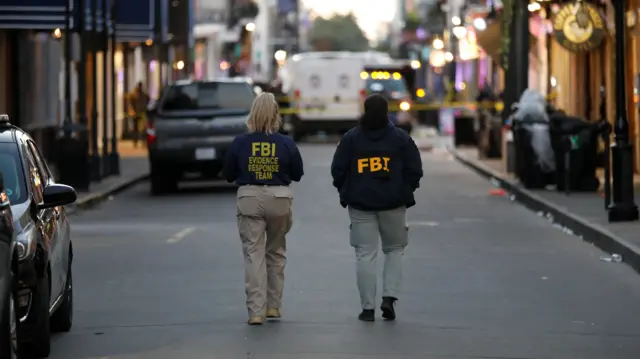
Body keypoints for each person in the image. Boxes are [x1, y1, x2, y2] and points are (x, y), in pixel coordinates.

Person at [331, 94, 423, 322]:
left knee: (364, 253)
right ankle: (389, 298)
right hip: (394, 204)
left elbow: (338, 170)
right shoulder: (401, 139)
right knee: (394, 250)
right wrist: (404, 190)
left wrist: (347, 191)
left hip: (361, 205)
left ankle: (368, 307)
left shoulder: (351, 139)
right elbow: (415, 169)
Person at [223, 92, 304, 325]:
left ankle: (255, 311)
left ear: (252, 115)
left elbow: (228, 174)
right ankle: (273, 307)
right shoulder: (286, 143)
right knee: (276, 252)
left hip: (249, 196)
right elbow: (297, 174)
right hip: (279, 197)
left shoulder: (240, 143)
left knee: (253, 253)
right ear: (276, 115)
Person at [127, 82, 150, 147]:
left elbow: (148, 100)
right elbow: (130, 102)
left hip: (142, 113)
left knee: (143, 128)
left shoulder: (143, 95)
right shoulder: (134, 94)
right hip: (136, 113)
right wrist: (132, 110)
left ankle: (143, 141)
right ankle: (135, 141)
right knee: (135, 128)